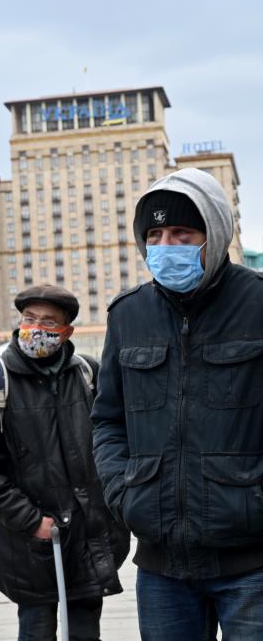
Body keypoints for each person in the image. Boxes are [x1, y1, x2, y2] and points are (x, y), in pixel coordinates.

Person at [91, 168, 262, 640]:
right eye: (155, 234)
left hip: (253, 562)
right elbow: (107, 420)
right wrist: (126, 495)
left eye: (182, 232)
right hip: (162, 565)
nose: (167, 245)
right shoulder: (128, 315)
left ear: (216, 234)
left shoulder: (258, 303)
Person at [0, 285, 129, 641]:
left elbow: (116, 443)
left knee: (86, 630)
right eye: (29, 319)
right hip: (31, 541)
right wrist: (31, 520)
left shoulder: (88, 375)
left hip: (88, 536)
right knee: (36, 629)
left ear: (66, 332)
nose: (36, 328)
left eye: (48, 322)